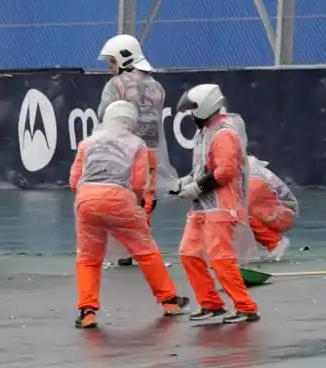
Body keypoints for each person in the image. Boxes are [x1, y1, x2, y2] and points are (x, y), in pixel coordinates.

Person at [68, 101, 191, 329]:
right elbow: (137, 182)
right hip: (119, 199)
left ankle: (87, 312)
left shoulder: (87, 143)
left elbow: (73, 180)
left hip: (86, 199)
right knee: (145, 251)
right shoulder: (136, 143)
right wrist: (136, 202)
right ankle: (169, 301)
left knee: (88, 258)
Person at [171, 83, 260, 323]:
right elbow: (202, 169)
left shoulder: (224, 134)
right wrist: (185, 182)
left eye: (193, 110)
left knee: (220, 257)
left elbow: (226, 171)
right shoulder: (205, 133)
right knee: (188, 253)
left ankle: (245, 306)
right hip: (203, 206)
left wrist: (197, 187)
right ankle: (210, 303)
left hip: (221, 205)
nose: (191, 115)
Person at [96, 34, 176, 267]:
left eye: (112, 62)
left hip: (123, 150)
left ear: (124, 57)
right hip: (149, 150)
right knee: (145, 200)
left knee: (121, 197)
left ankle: (123, 250)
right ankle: (140, 247)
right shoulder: (156, 86)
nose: (111, 68)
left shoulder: (116, 85)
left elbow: (104, 115)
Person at [246, 156, 297, 262]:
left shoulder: (253, 177)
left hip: (280, 215)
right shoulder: (249, 172)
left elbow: (243, 202)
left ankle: (275, 242)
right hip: (275, 212)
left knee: (236, 214)